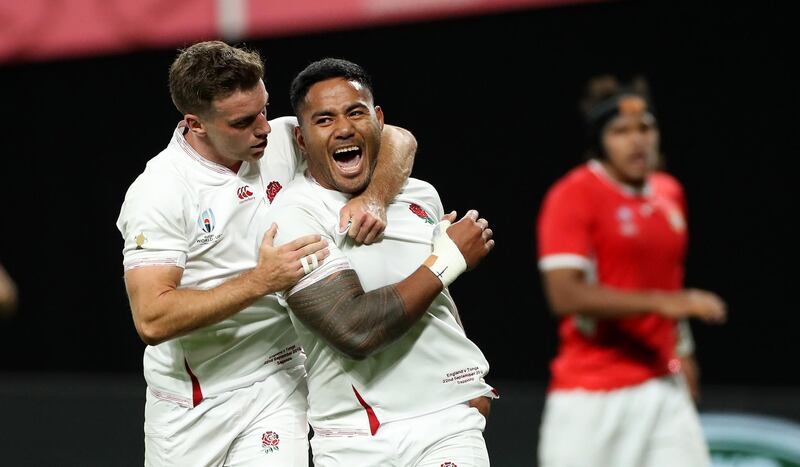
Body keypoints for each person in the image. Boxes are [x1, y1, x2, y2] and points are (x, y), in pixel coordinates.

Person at [116, 41, 417, 466]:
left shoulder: (280, 139)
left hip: (279, 380)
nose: (262, 128)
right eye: (243, 121)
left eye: (264, 108)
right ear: (195, 124)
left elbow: (397, 139)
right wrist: (262, 281)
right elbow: (151, 318)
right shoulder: (160, 192)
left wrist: (376, 198)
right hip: (193, 402)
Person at [258, 58, 496, 466]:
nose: (345, 129)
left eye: (355, 112)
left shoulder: (420, 194)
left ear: (378, 119)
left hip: (447, 424)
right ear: (301, 139)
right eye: (324, 120)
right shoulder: (295, 215)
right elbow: (354, 330)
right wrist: (449, 260)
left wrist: (466, 378)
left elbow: (438, 305)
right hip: (354, 438)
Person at [535, 74, 727, 467]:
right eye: (621, 131)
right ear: (600, 141)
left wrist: (683, 351)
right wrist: (665, 304)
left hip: (661, 386)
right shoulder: (573, 195)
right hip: (592, 393)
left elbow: (669, 279)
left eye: (646, 128)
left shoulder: (669, 193)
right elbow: (565, 294)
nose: (638, 140)